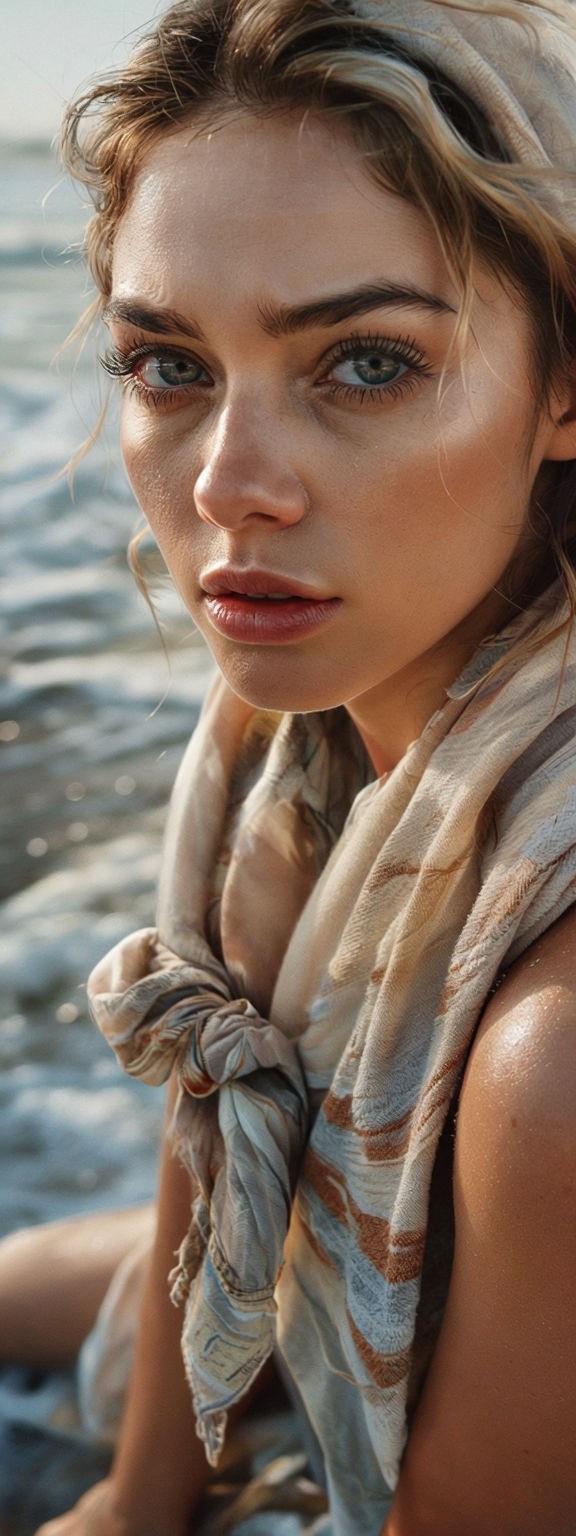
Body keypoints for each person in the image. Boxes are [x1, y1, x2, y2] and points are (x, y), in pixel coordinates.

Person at [2, 0, 576, 1531]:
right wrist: (132, 1506)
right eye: (167, 362)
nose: (228, 486)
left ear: (568, 390)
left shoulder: (555, 1070)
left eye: (367, 363)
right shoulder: (297, 736)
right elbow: (228, 1102)